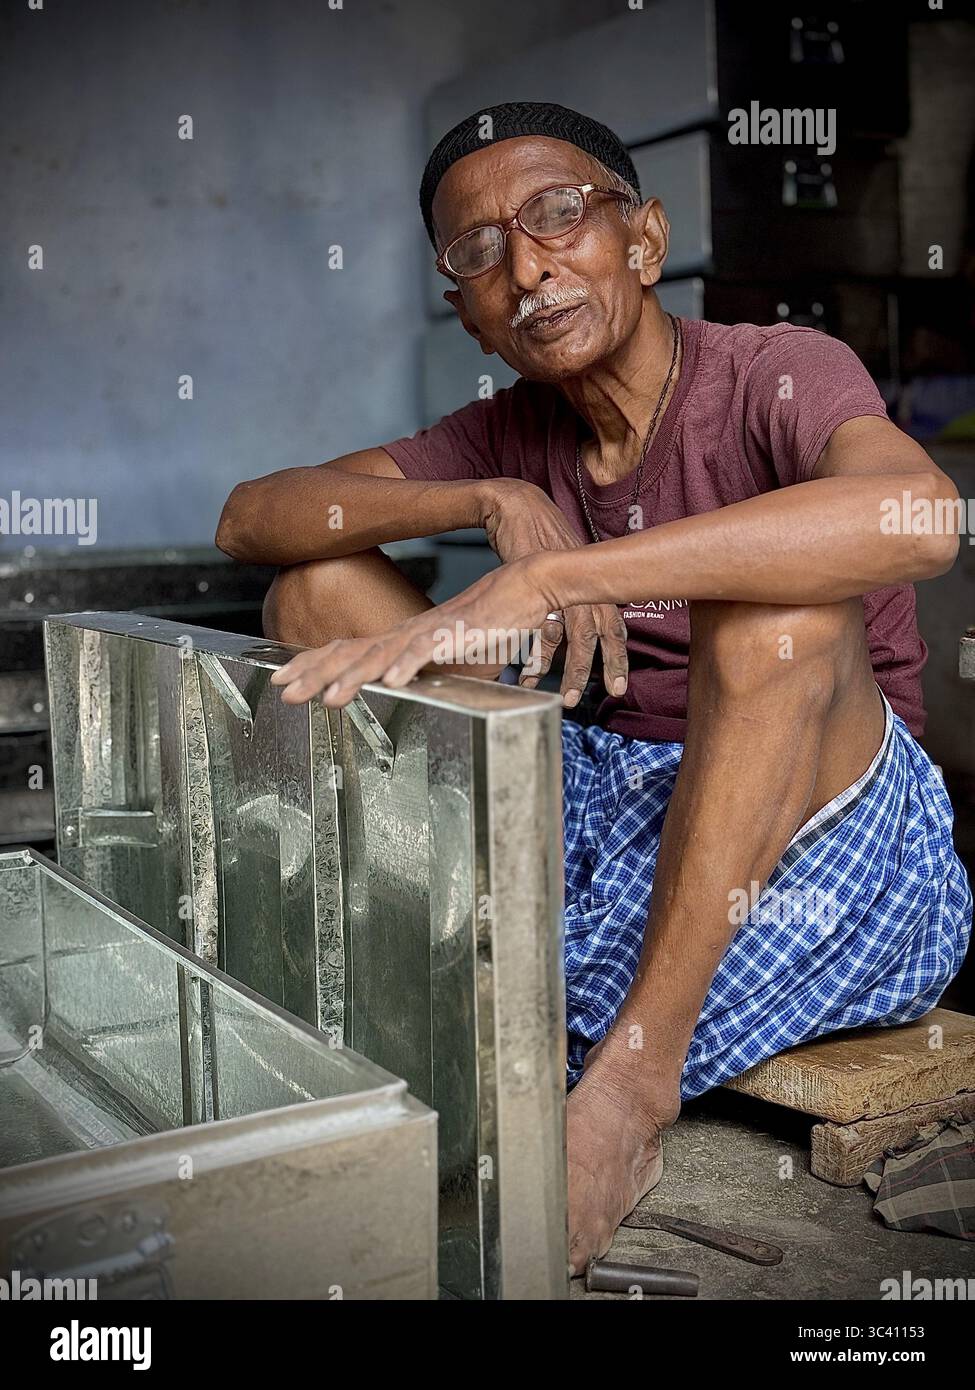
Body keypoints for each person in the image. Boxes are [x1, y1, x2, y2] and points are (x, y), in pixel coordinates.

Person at [216, 102, 972, 1274]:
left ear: (645, 239)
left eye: (559, 214)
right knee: (314, 592)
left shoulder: (775, 372)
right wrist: (482, 503)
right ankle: (462, 959)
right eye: (479, 253)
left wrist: (567, 574)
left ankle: (627, 1092)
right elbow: (250, 517)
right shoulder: (507, 433)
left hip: (835, 832)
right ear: (465, 306)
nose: (526, 265)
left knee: (778, 617)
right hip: (612, 818)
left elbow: (918, 516)